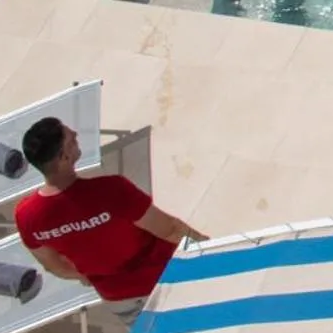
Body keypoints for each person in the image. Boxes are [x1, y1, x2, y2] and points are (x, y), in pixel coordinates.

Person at [14, 117, 207, 321]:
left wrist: (86, 275)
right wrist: (207, 245)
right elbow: (169, 229)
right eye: (71, 140)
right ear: (65, 157)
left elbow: (55, 267)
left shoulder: (26, 216)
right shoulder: (110, 190)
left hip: (119, 297)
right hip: (165, 275)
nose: (76, 135)